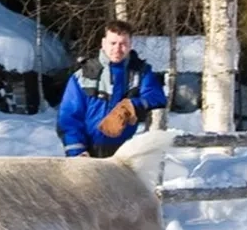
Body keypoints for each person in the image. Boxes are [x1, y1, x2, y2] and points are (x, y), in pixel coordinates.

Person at [57, 20, 167, 158]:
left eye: (123, 44)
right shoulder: (82, 76)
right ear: (103, 43)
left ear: (130, 45)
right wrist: (77, 151)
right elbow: (69, 117)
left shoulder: (141, 72)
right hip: (88, 153)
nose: (117, 48)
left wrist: (132, 105)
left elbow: (157, 98)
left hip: (125, 154)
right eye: (113, 43)